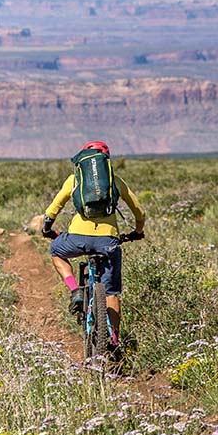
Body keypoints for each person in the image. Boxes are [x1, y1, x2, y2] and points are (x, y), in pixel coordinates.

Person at [42, 140, 145, 347]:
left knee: (56, 251)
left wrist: (47, 228)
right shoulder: (114, 182)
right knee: (112, 293)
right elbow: (139, 211)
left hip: (77, 238)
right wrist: (137, 232)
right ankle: (114, 339)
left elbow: (54, 208)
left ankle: (75, 290)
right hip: (108, 241)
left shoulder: (74, 180)